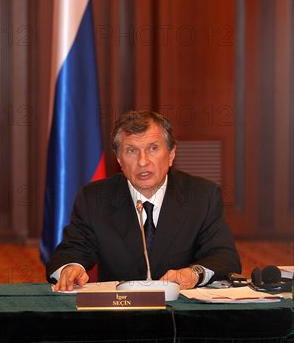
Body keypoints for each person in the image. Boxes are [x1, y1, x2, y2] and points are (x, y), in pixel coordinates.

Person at [47, 110, 241, 291]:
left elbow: (224, 257)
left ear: (171, 154)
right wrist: (70, 268)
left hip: (182, 313)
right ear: (119, 159)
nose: (142, 161)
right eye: (131, 151)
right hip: (120, 314)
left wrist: (193, 274)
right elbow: (70, 251)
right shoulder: (94, 198)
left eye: (153, 148)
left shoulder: (202, 195)